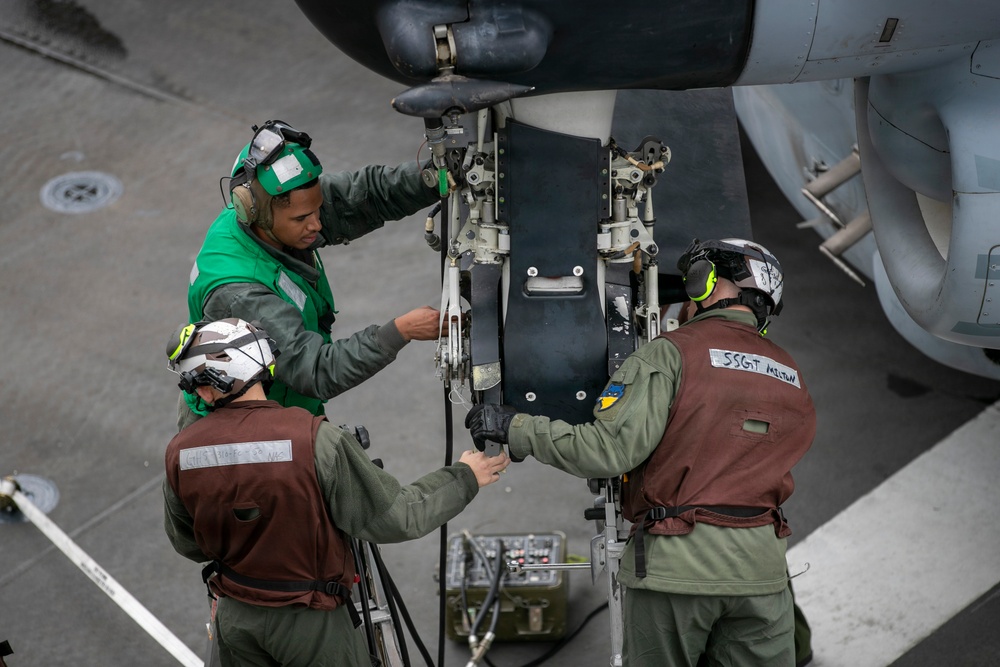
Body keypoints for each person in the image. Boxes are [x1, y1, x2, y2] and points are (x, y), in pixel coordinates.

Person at [466, 238, 816, 666]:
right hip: (763, 576)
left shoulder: (671, 353)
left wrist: (514, 427)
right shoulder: (790, 373)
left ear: (707, 284)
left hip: (677, 571)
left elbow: (609, 451)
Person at [163, 318, 510, 666]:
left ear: (211, 386)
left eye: (197, 385)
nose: (196, 394)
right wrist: (465, 477)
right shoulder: (314, 439)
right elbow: (399, 518)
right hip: (310, 623)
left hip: (236, 621)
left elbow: (187, 544)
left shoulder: (181, 453)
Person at [181, 119, 443, 429]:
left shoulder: (275, 214)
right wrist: (400, 331)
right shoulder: (242, 293)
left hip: (288, 407)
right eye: (303, 218)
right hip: (246, 433)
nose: (317, 224)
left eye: (317, 209)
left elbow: (368, 195)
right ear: (254, 211)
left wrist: (436, 177)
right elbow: (316, 370)